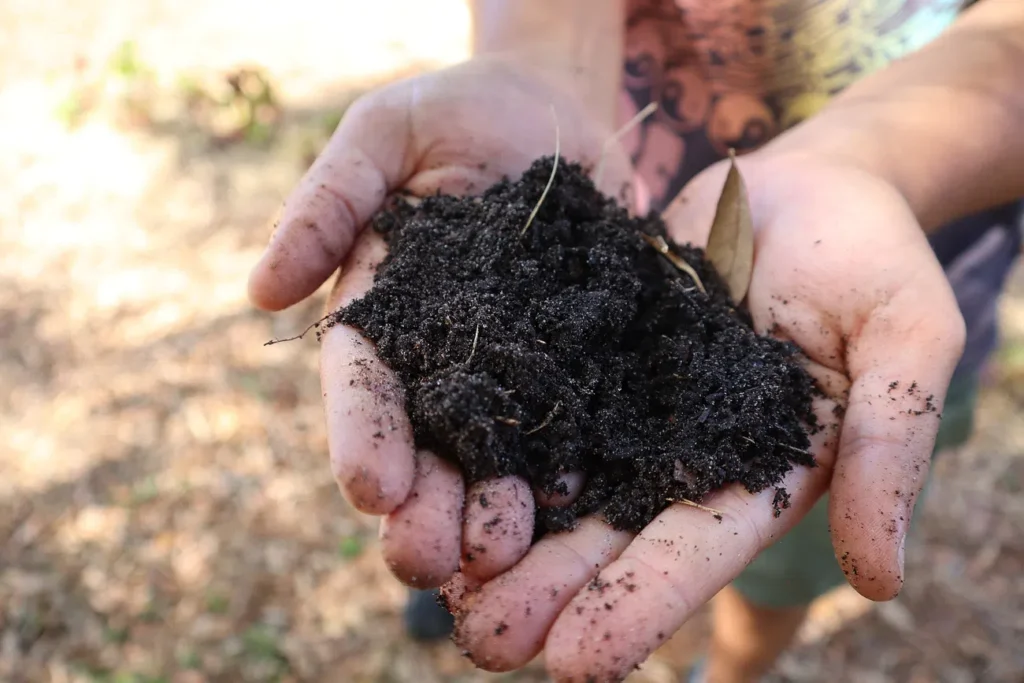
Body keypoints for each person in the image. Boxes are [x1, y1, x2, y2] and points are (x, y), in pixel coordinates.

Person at [247, 1, 1023, 681]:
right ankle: (445, 569)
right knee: (444, 468)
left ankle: (730, 669)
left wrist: (873, 159)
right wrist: (538, 58)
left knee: (776, 559)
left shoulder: (803, 341)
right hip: (590, 139)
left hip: (852, 284)